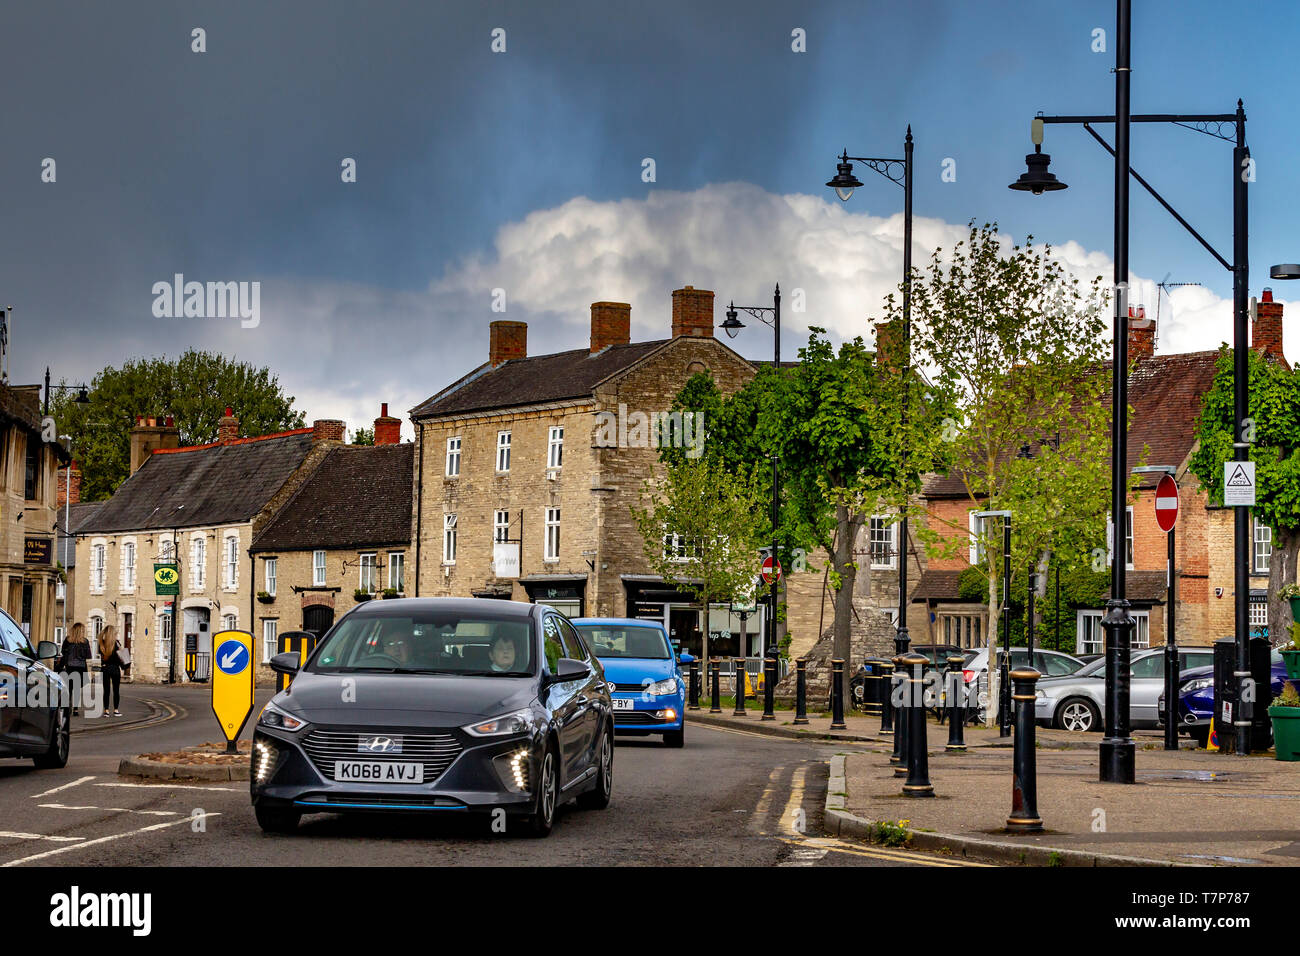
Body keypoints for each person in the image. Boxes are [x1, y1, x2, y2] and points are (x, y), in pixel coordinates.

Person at [60, 623, 91, 716]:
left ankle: (66, 708)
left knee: (68, 688)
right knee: (77, 689)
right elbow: (88, 655)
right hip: (80, 667)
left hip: (69, 667)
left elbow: (62, 651)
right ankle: (76, 710)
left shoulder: (68, 640)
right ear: (80, 631)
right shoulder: (85, 642)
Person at [98, 625, 123, 717]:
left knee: (106, 690)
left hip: (105, 668)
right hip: (115, 668)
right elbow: (121, 656)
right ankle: (116, 710)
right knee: (116, 690)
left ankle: (106, 711)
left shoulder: (101, 643)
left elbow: (101, 656)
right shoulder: (117, 643)